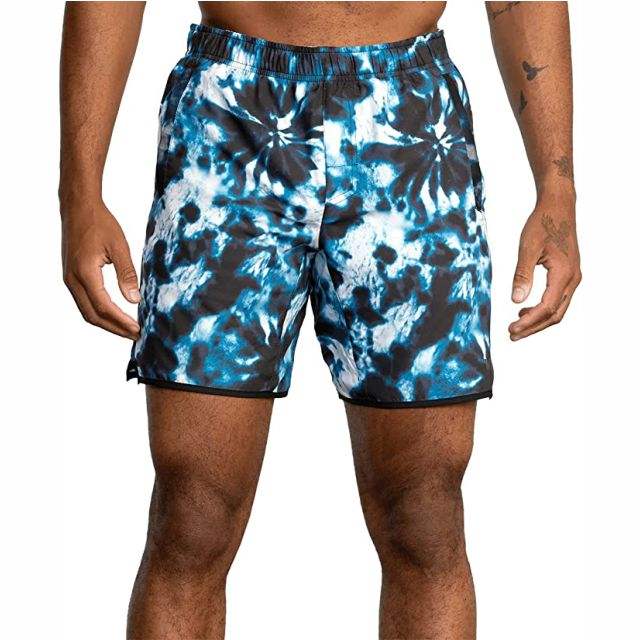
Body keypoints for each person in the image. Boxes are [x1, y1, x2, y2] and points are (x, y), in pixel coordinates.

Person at [59, 2, 581, 638]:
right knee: (193, 512)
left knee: (424, 513)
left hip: (409, 123)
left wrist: (557, 189)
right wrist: (79, 194)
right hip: (229, 118)